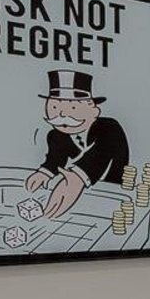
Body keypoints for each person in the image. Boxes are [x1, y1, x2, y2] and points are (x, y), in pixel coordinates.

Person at [25, 70, 130, 218]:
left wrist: (75, 179)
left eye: (73, 108)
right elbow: (55, 159)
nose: (62, 115)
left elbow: (98, 157)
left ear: (94, 110)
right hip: (82, 199)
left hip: (113, 195)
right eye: (54, 107)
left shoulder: (109, 128)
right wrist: (44, 173)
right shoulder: (56, 135)